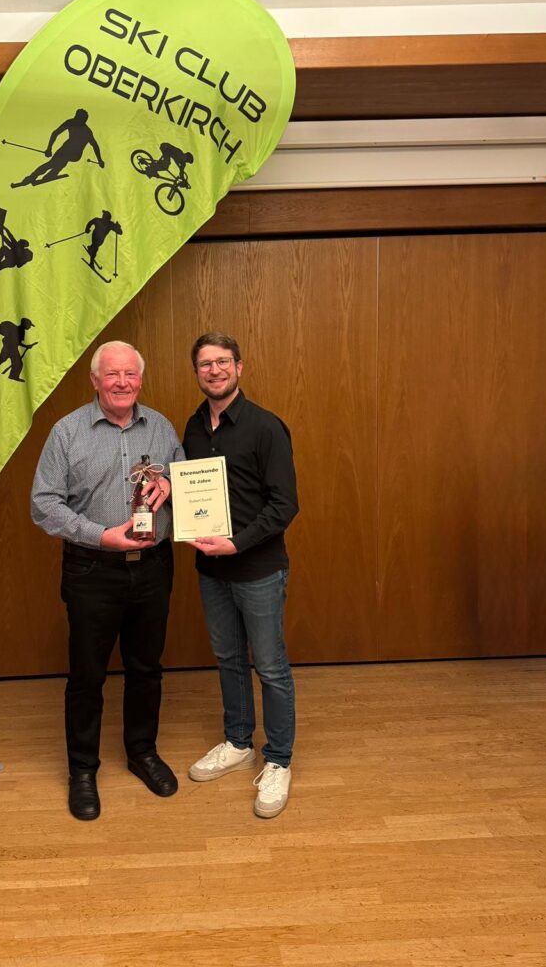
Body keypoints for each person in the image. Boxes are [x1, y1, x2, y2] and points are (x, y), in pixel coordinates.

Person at [31, 341, 183, 821]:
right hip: (91, 571)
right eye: (112, 374)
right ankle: (82, 770)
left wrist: (172, 483)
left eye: (130, 374)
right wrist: (100, 536)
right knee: (87, 675)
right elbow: (44, 504)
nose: (122, 382)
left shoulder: (161, 427)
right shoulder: (67, 432)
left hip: (153, 568)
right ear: (95, 380)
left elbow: (186, 481)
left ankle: (142, 752)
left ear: (141, 379)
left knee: (146, 668)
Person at [183, 332, 299, 818]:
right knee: (228, 658)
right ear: (197, 372)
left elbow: (285, 505)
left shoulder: (266, 427)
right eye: (205, 364)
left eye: (223, 362)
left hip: (257, 568)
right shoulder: (192, 427)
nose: (214, 370)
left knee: (269, 666)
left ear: (239, 367)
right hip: (211, 569)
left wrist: (236, 542)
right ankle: (237, 743)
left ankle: (278, 760)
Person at [12, 108, 104, 188]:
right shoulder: (71, 123)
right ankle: (48, 174)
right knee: (58, 162)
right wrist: (49, 148)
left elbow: (95, 146)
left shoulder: (86, 131)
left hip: (74, 153)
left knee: (53, 163)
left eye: (79, 120)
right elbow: (55, 133)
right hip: (69, 151)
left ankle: (35, 177)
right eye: (76, 118)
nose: (76, 121)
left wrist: (100, 160)